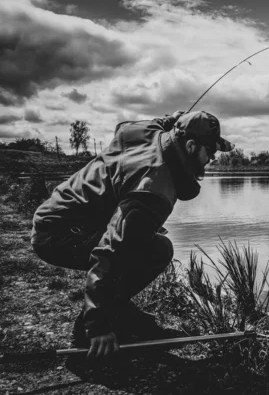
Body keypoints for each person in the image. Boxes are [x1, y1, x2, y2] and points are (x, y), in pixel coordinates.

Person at [30, 110, 234, 359]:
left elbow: (131, 126)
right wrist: (98, 326)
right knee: (157, 250)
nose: (211, 158)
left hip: (52, 218)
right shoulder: (154, 188)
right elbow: (109, 254)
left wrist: (172, 120)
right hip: (59, 236)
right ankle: (90, 327)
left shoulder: (142, 131)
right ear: (191, 146)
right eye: (210, 152)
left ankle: (121, 313)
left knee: (147, 241)